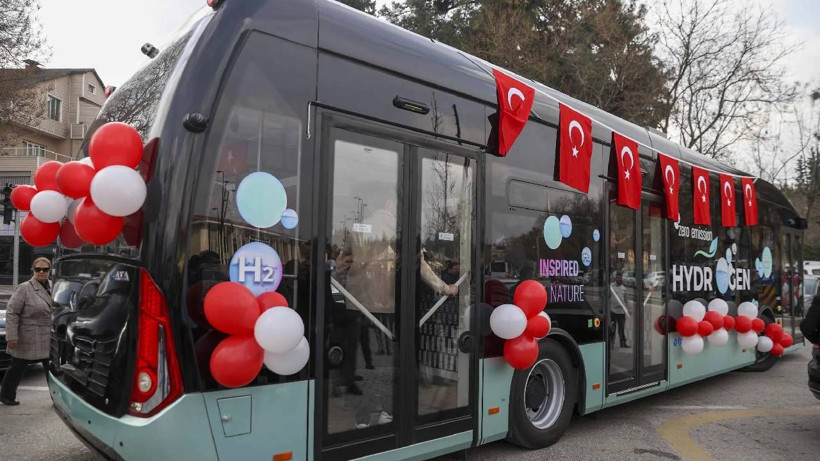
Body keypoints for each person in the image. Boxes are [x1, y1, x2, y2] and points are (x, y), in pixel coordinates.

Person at [1, 257, 54, 406]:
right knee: (16, 367)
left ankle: (58, 398)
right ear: (33, 270)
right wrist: (11, 336)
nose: (41, 272)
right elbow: (11, 312)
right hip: (27, 335)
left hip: (48, 336)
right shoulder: (24, 288)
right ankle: (6, 396)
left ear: (49, 271)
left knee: (52, 370)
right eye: (38, 269)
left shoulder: (52, 287)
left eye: (45, 269)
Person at [610, 271, 629, 348]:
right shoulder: (611, 286)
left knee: (621, 329)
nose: (619, 279)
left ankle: (623, 344)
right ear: (615, 278)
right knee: (612, 330)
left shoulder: (624, 289)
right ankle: (611, 344)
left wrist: (628, 310)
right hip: (613, 312)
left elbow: (626, 300)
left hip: (621, 312)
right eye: (618, 278)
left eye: (620, 278)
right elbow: (606, 297)